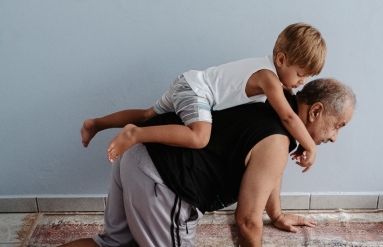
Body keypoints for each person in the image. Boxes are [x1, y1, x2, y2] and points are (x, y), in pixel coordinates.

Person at [0, 78, 356, 247]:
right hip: (165, 179)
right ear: (316, 110)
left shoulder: (272, 109)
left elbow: (266, 173)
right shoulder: (277, 141)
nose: (335, 137)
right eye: (338, 126)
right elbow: (245, 221)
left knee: (114, 243)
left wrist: (278, 213)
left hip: (136, 154)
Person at [81, 23, 326, 173]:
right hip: (196, 92)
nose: (300, 83)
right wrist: (310, 145)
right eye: (300, 75)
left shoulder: (271, 74)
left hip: (188, 82)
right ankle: (135, 134)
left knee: (148, 114)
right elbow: (288, 116)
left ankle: (95, 124)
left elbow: (288, 96)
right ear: (281, 60)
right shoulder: (269, 78)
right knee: (200, 137)